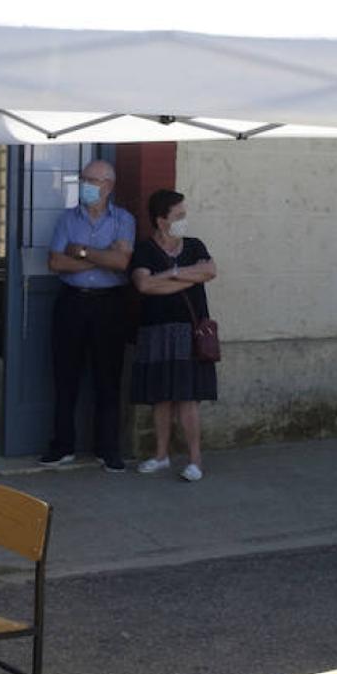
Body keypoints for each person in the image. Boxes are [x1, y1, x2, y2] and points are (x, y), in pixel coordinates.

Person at [41, 157, 137, 472]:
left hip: (110, 305)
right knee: (65, 376)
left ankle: (107, 449)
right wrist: (103, 257)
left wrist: (81, 251)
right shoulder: (67, 219)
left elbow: (122, 263)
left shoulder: (123, 219)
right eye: (83, 179)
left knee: (108, 378)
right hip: (72, 303)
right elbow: (55, 262)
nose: (85, 185)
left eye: (91, 181)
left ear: (108, 186)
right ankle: (62, 446)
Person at [129, 189, 218, 481]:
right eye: (178, 215)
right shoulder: (145, 250)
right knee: (161, 398)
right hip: (156, 331)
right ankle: (161, 455)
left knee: (188, 398)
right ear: (161, 220)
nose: (184, 220)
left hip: (189, 332)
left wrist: (170, 274)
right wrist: (188, 276)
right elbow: (144, 285)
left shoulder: (194, 245)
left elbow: (209, 271)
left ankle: (195, 460)